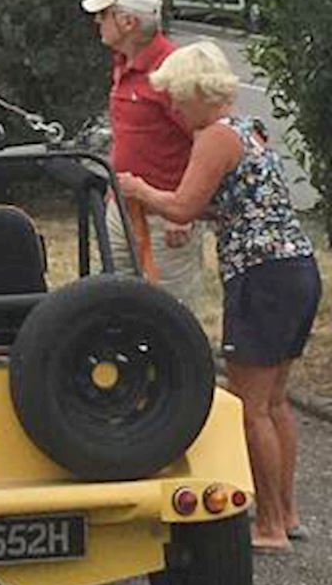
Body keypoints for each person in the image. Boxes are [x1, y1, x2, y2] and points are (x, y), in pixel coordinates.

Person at [119, 40, 320, 552]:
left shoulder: (214, 137)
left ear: (196, 94)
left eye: (179, 103)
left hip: (258, 276)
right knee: (275, 403)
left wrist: (142, 192)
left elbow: (183, 205)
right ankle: (287, 512)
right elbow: (235, 202)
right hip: (294, 267)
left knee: (250, 407)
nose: (178, 114)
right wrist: (195, 212)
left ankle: (270, 526)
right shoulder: (250, 131)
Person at [81, 0, 205, 307]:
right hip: (122, 204)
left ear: (128, 22)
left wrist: (183, 211)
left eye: (104, 14)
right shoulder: (124, 62)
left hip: (165, 215)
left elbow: (206, 142)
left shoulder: (172, 71)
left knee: (169, 309)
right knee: (114, 298)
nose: (98, 21)